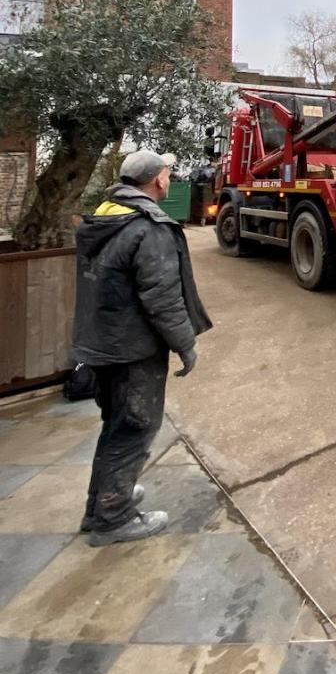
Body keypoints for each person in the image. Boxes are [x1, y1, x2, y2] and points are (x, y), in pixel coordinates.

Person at [72, 149, 212, 546]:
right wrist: (186, 345)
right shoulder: (149, 228)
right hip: (132, 349)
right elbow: (162, 298)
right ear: (157, 180)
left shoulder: (104, 216)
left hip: (100, 342)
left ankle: (102, 503)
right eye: (168, 173)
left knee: (116, 425)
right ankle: (112, 518)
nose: (169, 178)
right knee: (135, 428)